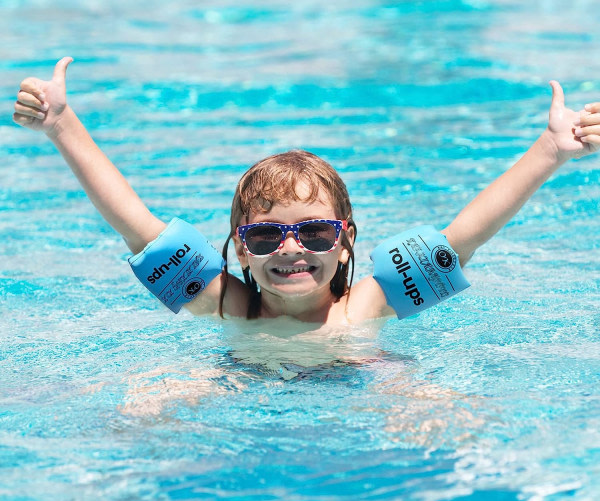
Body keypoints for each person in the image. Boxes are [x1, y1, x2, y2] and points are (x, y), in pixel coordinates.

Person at [13, 57, 600, 326]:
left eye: (315, 231)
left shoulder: (363, 307)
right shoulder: (226, 304)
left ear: (344, 243)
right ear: (240, 249)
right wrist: (62, 125)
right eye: (266, 235)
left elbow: (462, 238)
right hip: (241, 393)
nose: (292, 250)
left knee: (420, 402)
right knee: (152, 402)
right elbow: (135, 223)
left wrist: (550, 152)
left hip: (364, 384)